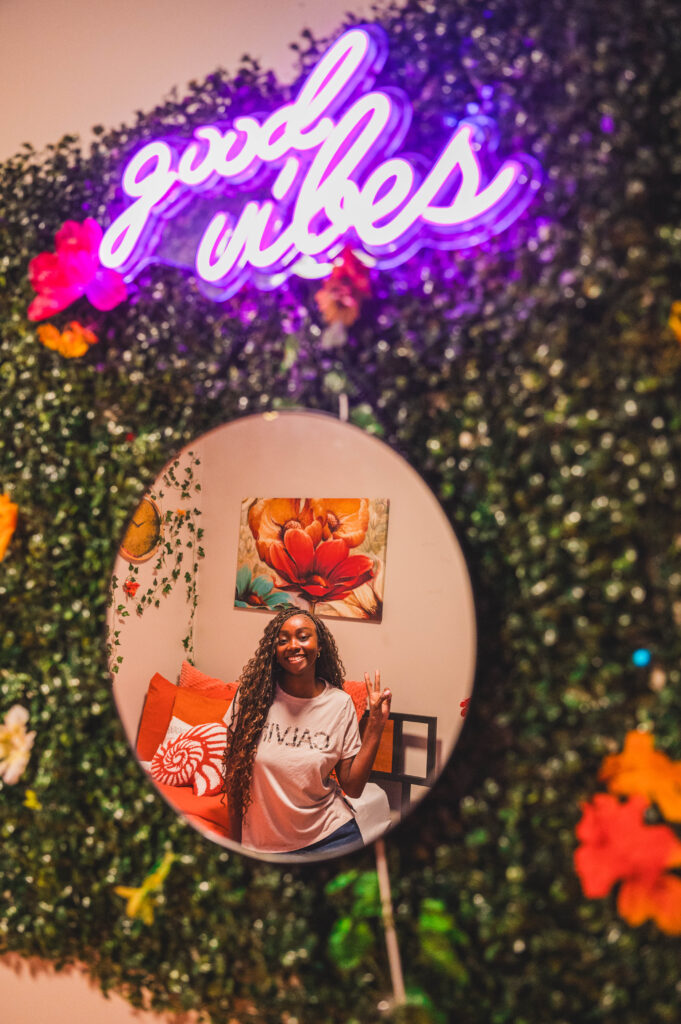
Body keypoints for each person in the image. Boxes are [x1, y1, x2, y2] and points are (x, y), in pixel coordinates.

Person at [221, 605, 391, 856]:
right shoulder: (251, 699)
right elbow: (234, 780)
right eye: (283, 640)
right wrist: (236, 848)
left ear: (319, 646)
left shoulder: (339, 704)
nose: (293, 645)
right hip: (264, 845)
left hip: (331, 836)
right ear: (274, 651)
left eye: (303, 636)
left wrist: (375, 726)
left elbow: (352, 787)